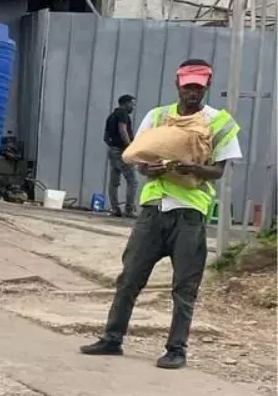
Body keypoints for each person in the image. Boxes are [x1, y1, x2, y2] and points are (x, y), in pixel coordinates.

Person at [80, 60, 241, 370]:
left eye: (198, 85)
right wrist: (148, 169)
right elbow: (140, 160)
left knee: (185, 286)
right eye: (187, 84)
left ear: (207, 85)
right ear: (177, 84)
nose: (192, 90)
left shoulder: (219, 122)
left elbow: (218, 171)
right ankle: (112, 338)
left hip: (190, 213)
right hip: (154, 209)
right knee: (129, 277)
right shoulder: (156, 117)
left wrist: (194, 169)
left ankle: (176, 349)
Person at [104, 94, 137, 217]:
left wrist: (113, 146)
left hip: (112, 151)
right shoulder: (123, 114)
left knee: (114, 182)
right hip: (122, 151)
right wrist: (130, 147)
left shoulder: (111, 116)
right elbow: (123, 130)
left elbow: (106, 137)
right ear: (125, 103)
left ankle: (115, 209)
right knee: (133, 181)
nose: (133, 107)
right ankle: (129, 210)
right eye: (132, 104)